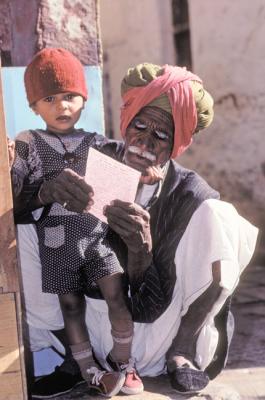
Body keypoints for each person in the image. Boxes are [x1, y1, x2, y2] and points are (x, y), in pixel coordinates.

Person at [13, 62, 258, 398]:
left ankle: (183, 352)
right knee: (25, 224)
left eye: (160, 136)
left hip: (155, 335)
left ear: (176, 144)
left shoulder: (186, 193)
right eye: (139, 127)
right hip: (89, 330)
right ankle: (74, 362)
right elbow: (27, 210)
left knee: (221, 217)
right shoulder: (96, 158)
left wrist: (141, 251)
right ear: (126, 123)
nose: (144, 142)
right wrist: (45, 193)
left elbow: (147, 310)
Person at [11, 48, 144, 397]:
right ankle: (89, 370)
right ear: (33, 107)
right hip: (55, 240)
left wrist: (144, 171)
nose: (62, 106)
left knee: (117, 294)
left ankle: (125, 364)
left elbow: (128, 161)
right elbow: (15, 187)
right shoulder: (29, 143)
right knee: (70, 305)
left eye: (70, 97)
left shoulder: (96, 143)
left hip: (95, 237)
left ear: (84, 100)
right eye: (50, 99)